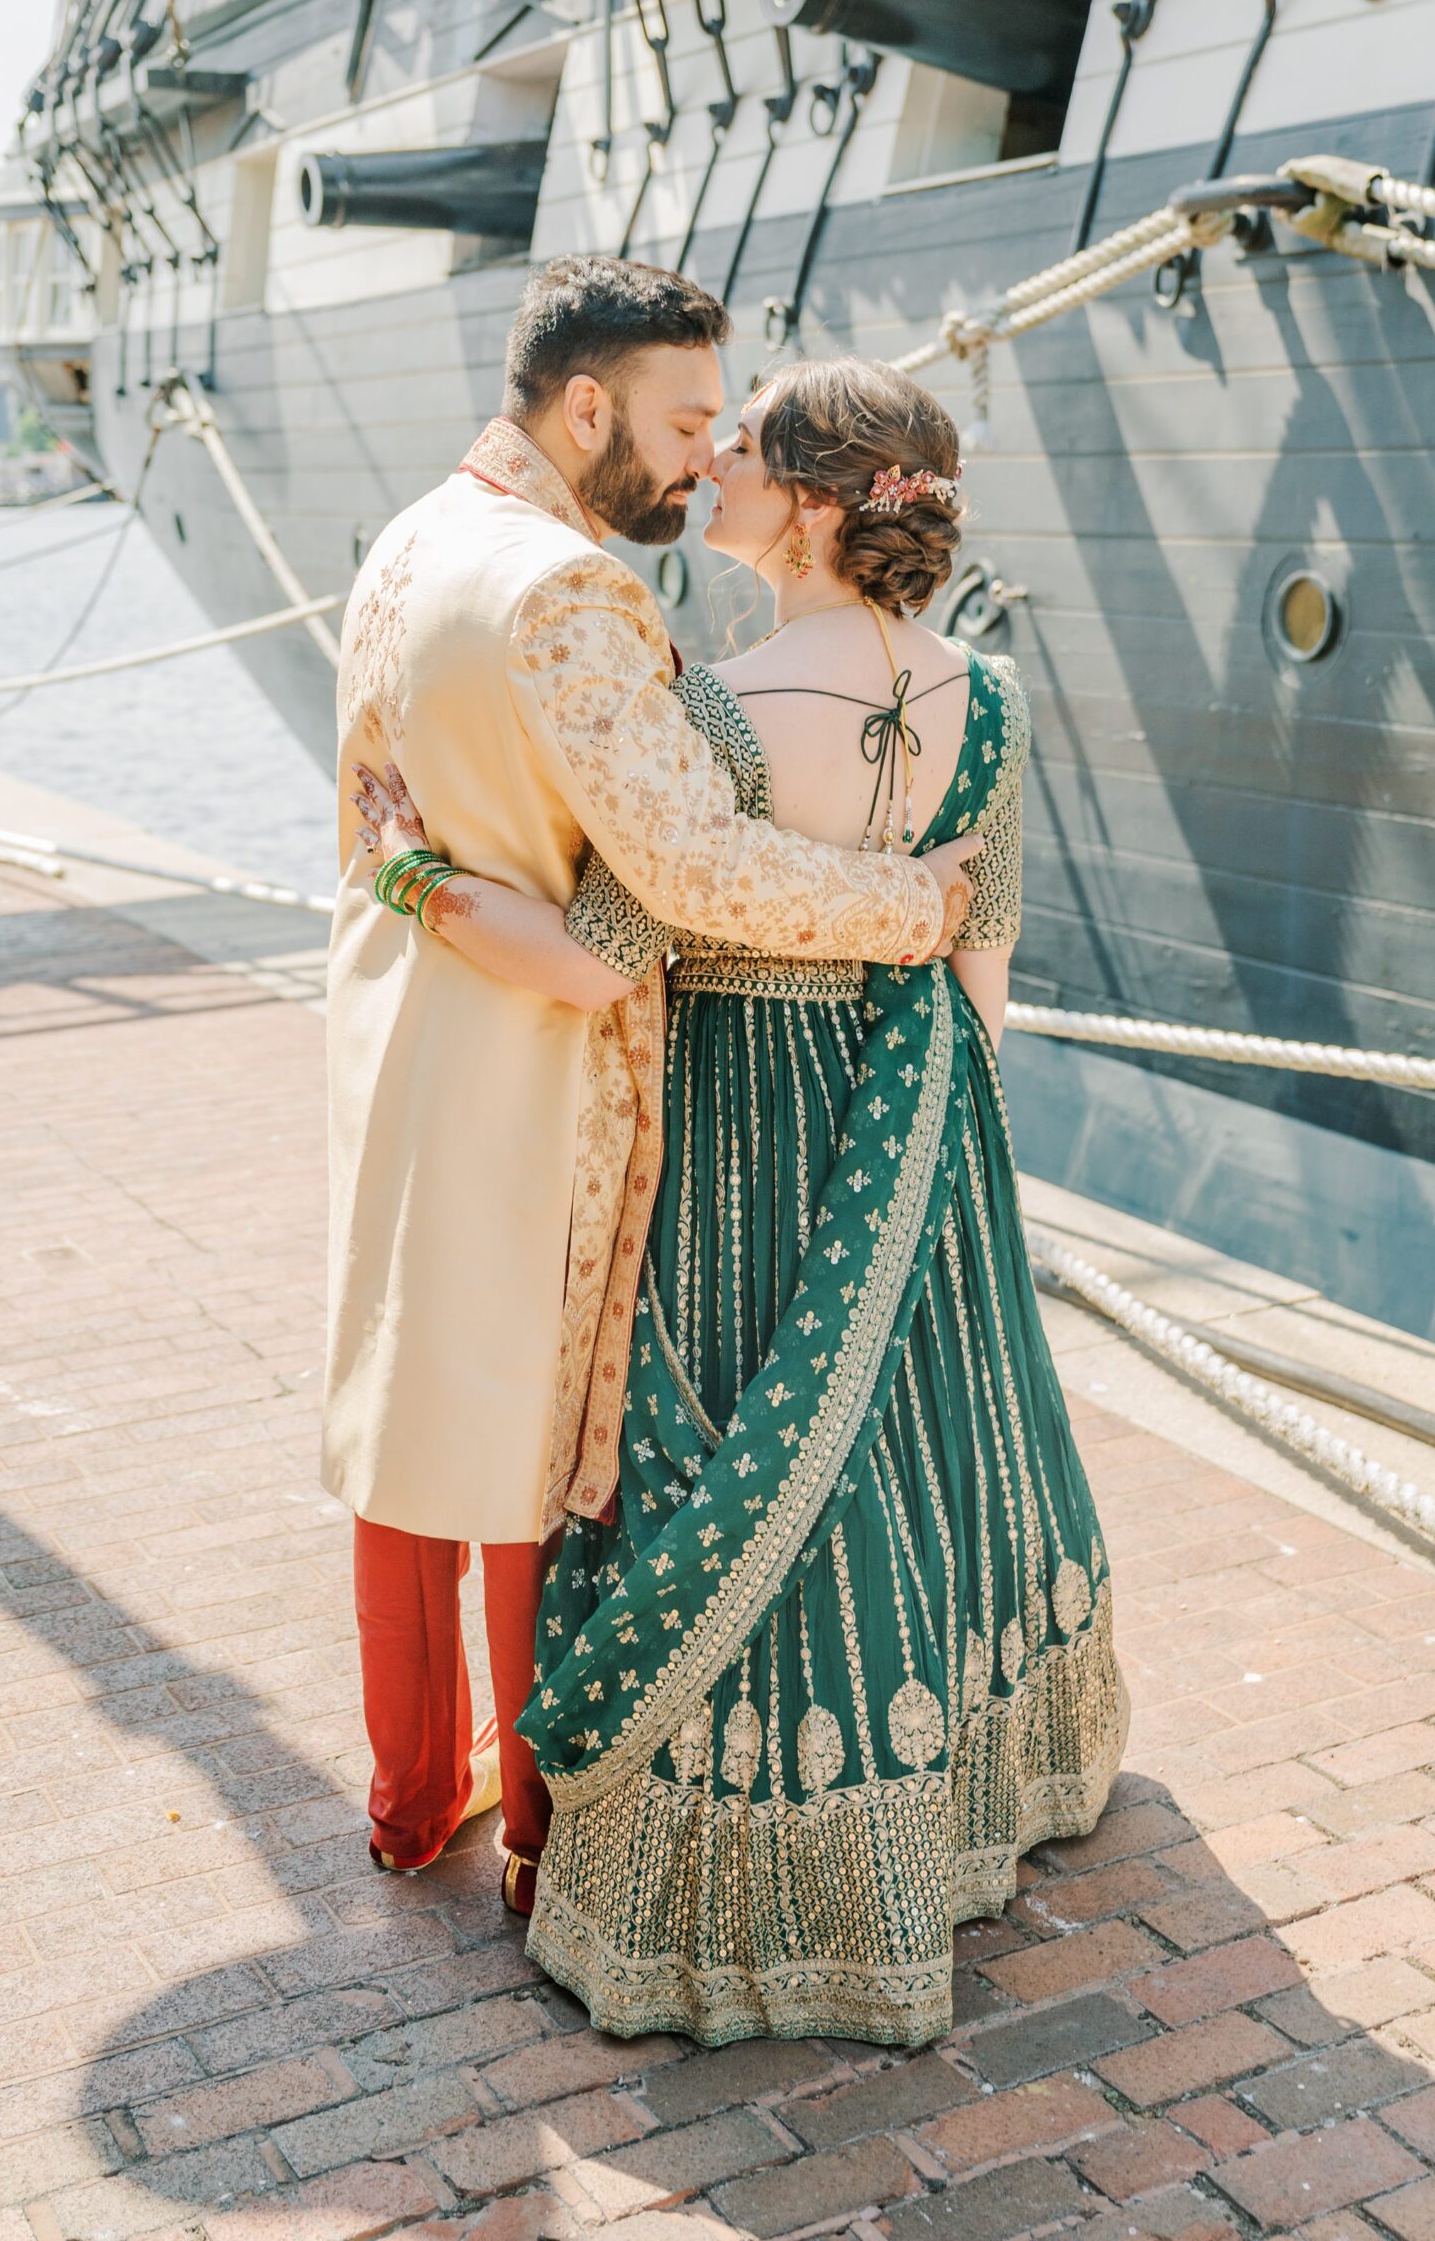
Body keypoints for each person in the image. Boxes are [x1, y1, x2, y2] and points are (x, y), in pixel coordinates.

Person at [354, 352, 1127, 2042]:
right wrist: (926, 1154)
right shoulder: (986, 703)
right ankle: (961, 1785)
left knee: (743, 1459)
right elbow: (983, 975)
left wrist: (404, 863)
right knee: (911, 1448)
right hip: (921, 1114)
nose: (714, 477)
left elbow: (588, 962)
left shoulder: (712, 716)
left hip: (738, 1133)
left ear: (818, 508)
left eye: (748, 454)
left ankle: (753, 1874)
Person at [325, 261, 984, 1915]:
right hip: (545, 1065)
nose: (705, 459)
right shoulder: (571, 594)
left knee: (417, 1423)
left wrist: (417, 893)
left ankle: (415, 1797)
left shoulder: (407, 544)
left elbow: (370, 813)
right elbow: (693, 868)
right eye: (691, 421)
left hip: (403, 1037)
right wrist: (920, 905)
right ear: (590, 404)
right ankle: (551, 1829)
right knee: (544, 1454)